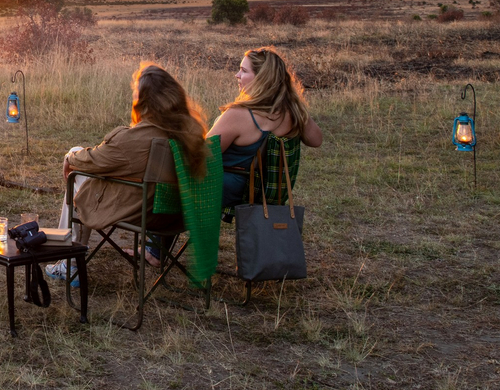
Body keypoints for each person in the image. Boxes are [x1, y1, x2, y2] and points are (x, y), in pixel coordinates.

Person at [63, 63, 208, 260]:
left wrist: (70, 157)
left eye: (135, 93)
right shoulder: (191, 133)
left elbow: (93, 161)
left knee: (77, 173)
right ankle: (70, 258)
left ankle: (68, 261)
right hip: (176, 216)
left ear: (143, 100)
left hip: (143, 214)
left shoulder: (136, 138)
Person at [208, 47, 322, 210]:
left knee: (166, 181)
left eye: (243, 71)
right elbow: (317, 140)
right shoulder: (293, 113)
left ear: (262, 79)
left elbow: (204, 156)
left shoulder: (239, 114)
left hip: (229, 190)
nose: (237, 75)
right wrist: (296, 106)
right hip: (262, 191)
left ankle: (162, 233)